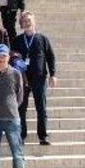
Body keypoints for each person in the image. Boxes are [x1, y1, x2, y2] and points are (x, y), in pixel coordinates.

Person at [12, 11, 56, 145]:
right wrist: (15, 61)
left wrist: (53, 74)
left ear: (34, 22)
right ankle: (21, 135)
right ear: (21, 24)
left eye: (29, 20)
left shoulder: (42, 39)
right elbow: (12, 56)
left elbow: (50, 57)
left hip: (39, 78)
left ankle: (43, 136)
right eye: (24, 21)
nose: (27, 23)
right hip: (23, 79)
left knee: (41, 108)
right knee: (21, 108)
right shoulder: (18, 40)